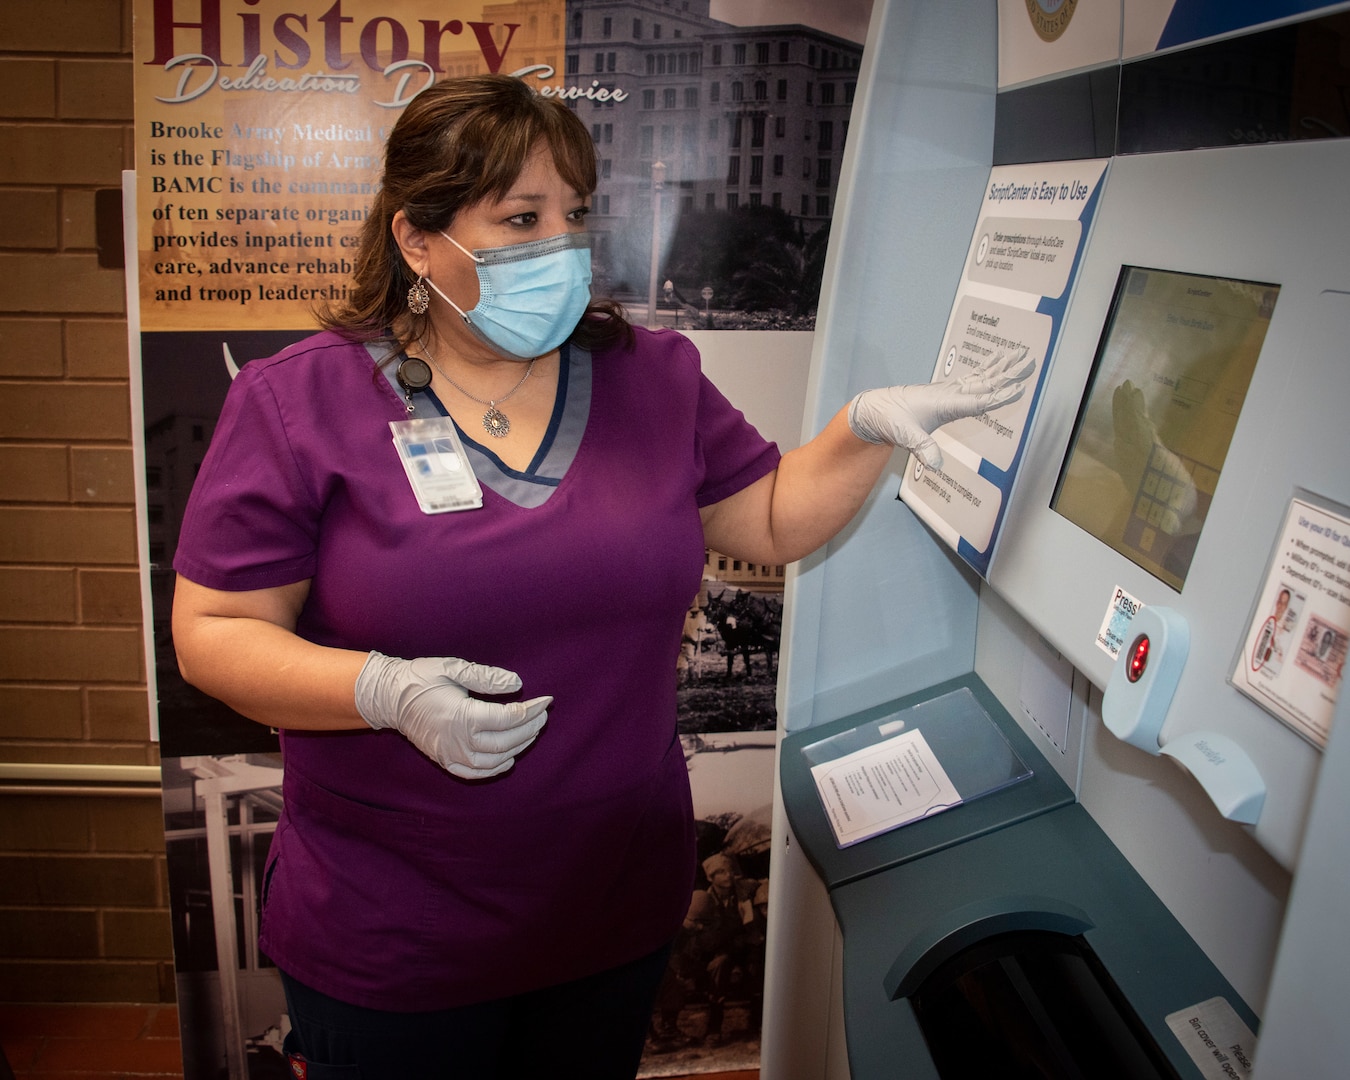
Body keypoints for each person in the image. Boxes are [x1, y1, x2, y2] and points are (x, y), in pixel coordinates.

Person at [170, 73, 1033, 1079]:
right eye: (521, 217)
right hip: (396, 925)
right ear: (417, 240)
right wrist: (382, 690)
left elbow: (761, 517)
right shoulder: (299, 402)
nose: (561, 246)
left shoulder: (649, 377)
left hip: (607, 906)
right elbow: (215, 633)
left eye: (573, 216)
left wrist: (862, 431)